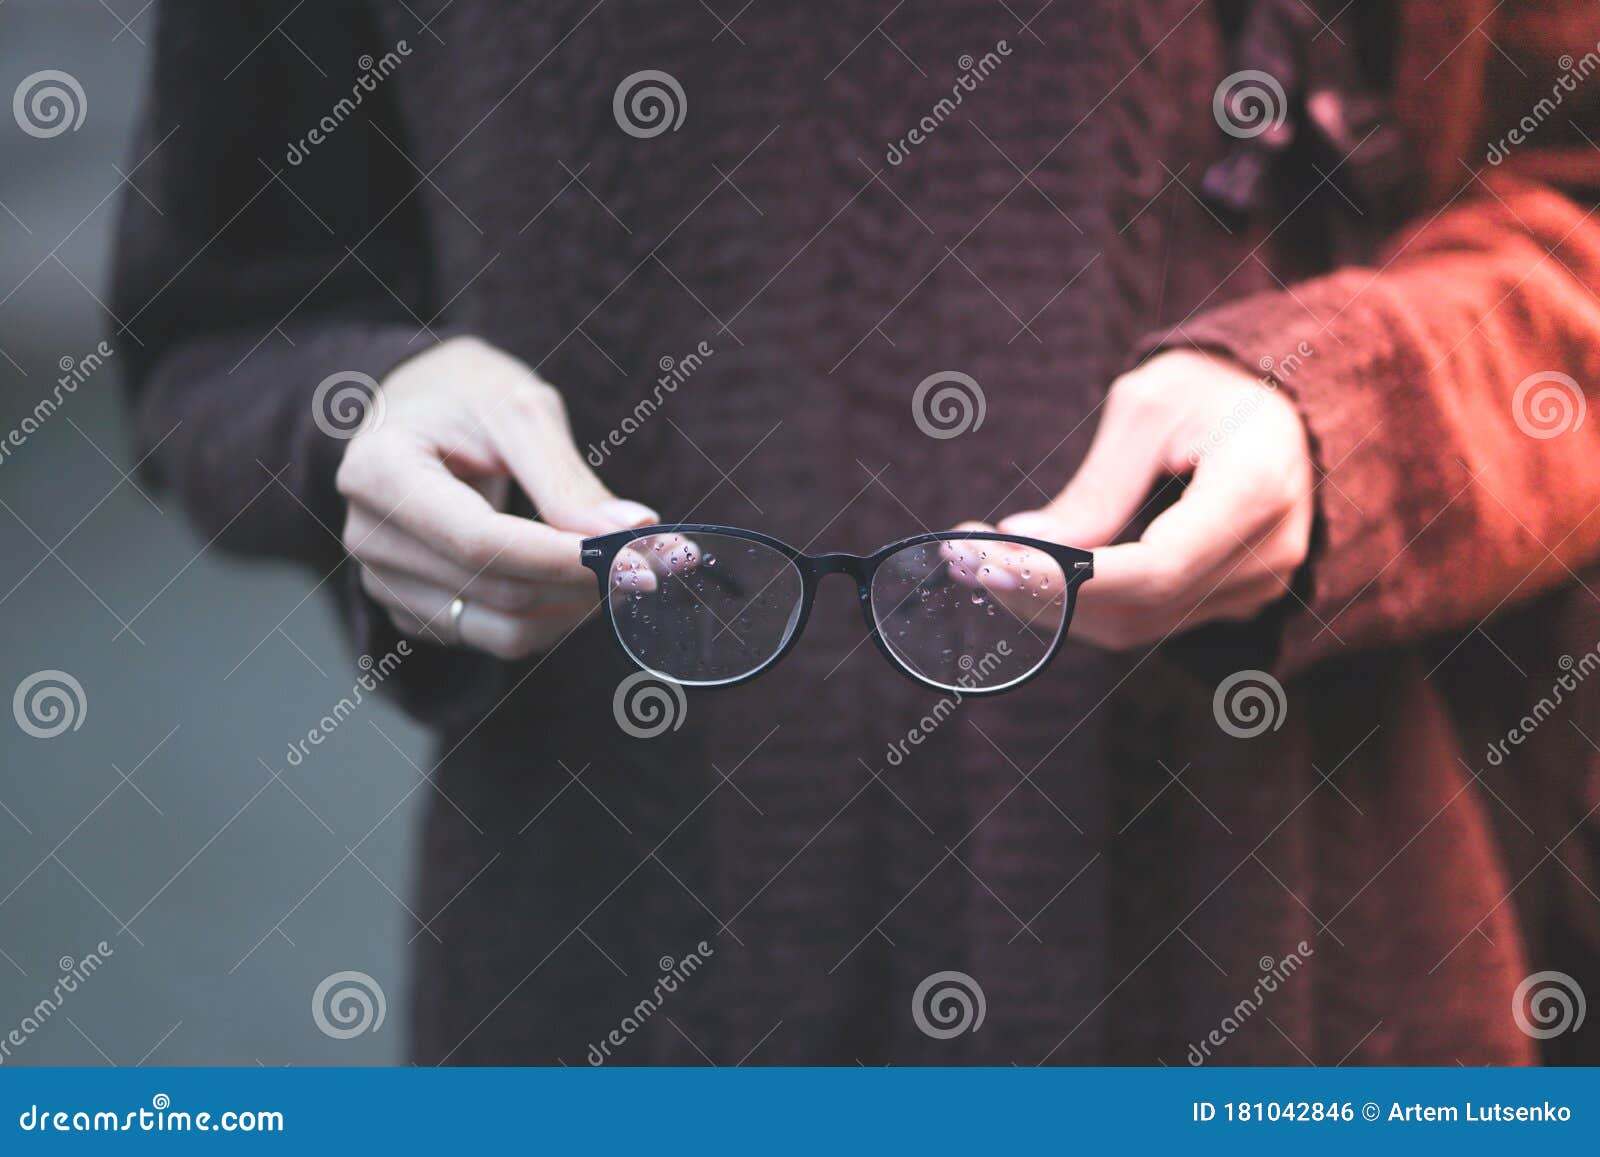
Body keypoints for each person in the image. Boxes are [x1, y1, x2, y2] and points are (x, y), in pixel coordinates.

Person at [115, 0, 1600, 1064]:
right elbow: (220, 316)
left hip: (1303, 974)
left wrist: (1355, 405)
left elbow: (1571, 189)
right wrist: (357, 415)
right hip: (609, 976)